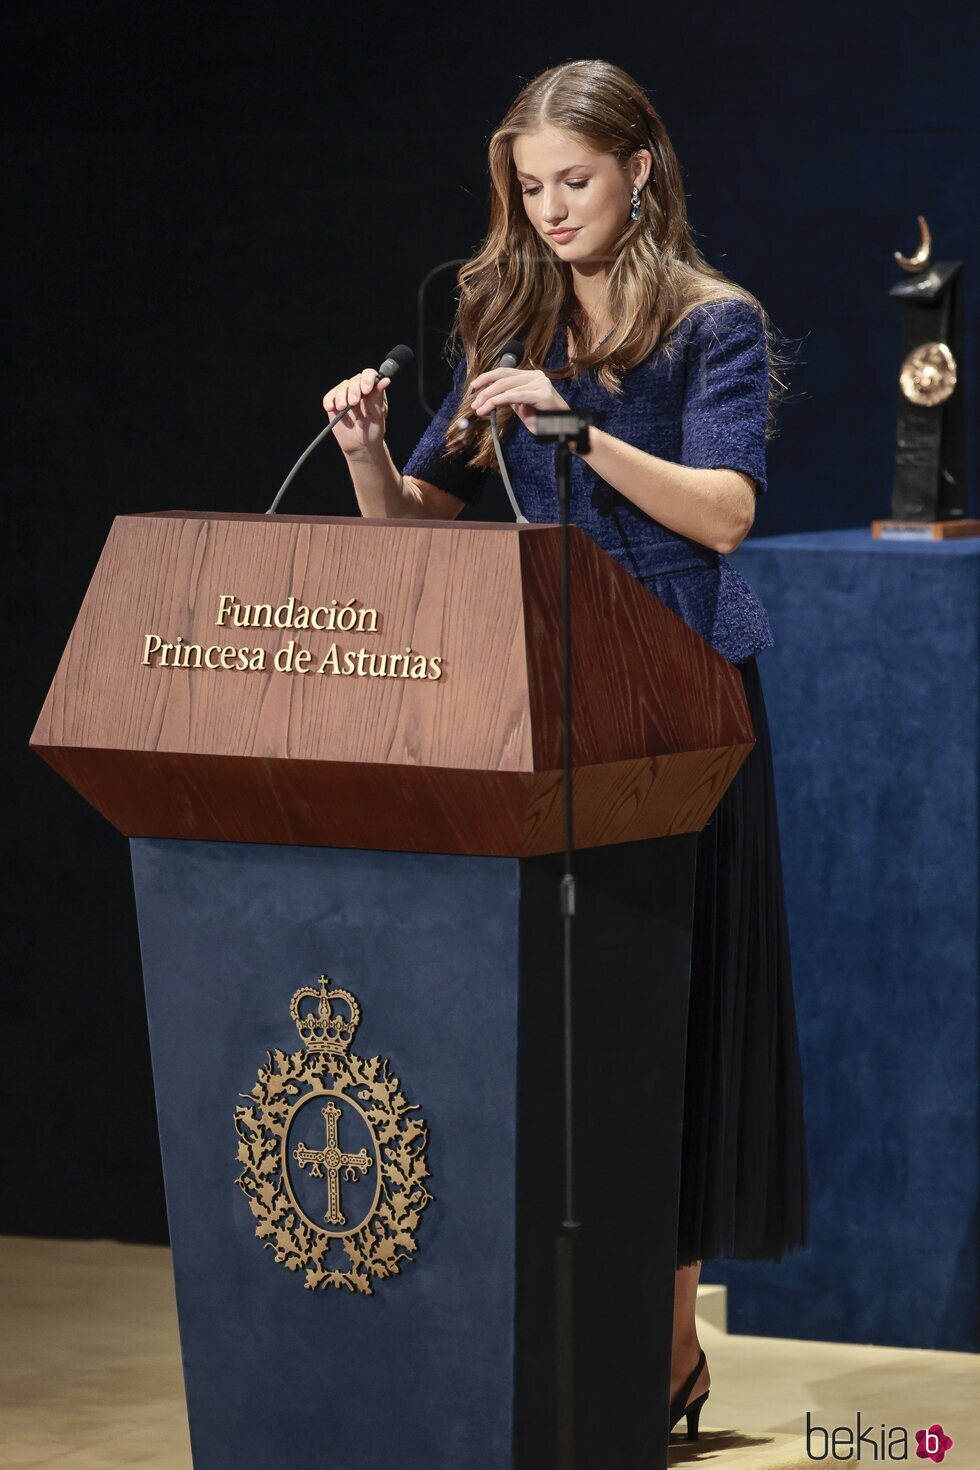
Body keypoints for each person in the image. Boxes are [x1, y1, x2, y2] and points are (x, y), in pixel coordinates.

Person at [321, 58, 809, 1443]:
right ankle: (582, 1342)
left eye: (573, 182)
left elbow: (722, 513)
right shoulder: (506, 322)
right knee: (580, 1021)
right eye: (528, 189)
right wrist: (369, 455)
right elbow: (418, 523)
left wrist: (579, 434)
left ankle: (667, 1348)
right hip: (551, 704)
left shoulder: (713, 325)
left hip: (688, 701)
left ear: (640, 168)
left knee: (677, 1006)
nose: (549, 212)